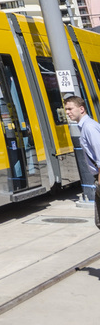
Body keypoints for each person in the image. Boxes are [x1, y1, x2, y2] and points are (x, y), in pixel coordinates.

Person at [63, 95, 100, 227]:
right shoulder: (85, 127)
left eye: (70, 109)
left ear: (82, 109)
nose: (67, 112)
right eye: (66, 109)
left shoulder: (89, 128)